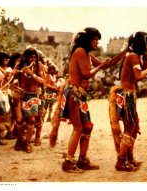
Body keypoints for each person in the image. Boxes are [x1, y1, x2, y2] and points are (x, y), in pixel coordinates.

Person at [50, 27, 125, 173]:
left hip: (80, 94)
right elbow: (86, 74)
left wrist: (123, 53)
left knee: (87, 127)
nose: (97, 42)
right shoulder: (80, 52)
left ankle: (82, 160)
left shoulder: (87, 54)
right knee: (78, 128)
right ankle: (68, 162)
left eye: (98, 40)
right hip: (74, 93)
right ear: (87, 40)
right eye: (95, 39)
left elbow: (107, 63)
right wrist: (101, 66)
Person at [108, 31, 147, 171]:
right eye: (146, 46)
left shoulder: (132, 56)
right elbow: (139, 75)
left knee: (134, 128)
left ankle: (129, 158)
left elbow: (136, 75)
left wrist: (146, 63)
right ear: (141, 44)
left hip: (128, 95)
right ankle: (121, 161)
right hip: (126, 96)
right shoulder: (133, 56)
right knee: (130, 128)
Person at [13, 47, 45, 153]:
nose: (33, 60)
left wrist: (32, 74)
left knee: (31, 120)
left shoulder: (39, 66)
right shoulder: (19, 65)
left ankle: (26, 143)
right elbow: (10, 77)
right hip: (20, 95)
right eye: (31, 57)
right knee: (19, 120)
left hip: (32, 95)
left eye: (34, 57)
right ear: (26, 57)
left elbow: (42, 81)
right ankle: (20, 139)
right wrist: (14, 73)